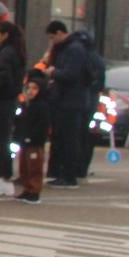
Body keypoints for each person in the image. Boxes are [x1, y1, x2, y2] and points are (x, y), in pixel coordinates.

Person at [45, 20, 102, 189]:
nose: (51, 41)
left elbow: (72, 74)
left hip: (72, 101)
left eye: (51, 37)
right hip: (68, 100)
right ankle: (63, 173)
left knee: (70, 139)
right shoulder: (70, 48)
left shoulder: (74, 49)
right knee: (64, 138)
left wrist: (53, 72)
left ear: (60, 33)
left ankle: (69, 176)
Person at [0, 19, 27, 194]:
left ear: (5, 35)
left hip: (3, 100)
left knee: (1, 139)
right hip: (10, 99)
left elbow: (4, 77)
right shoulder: (15, 52)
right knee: (5, 138)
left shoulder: (6, 53)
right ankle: (3, 175)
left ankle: (0, 177)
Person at [14, 70, 52, 204]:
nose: (30, 91)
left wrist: (33, 138)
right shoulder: (26, 106)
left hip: (35, 143)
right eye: (29, 88)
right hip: (24, 141)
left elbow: (41, 126)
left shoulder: (41, 107)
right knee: (24, 166)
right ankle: (26, 189)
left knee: (34, 167)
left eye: (35, 88)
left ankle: (34, 191)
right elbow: (20, 122)